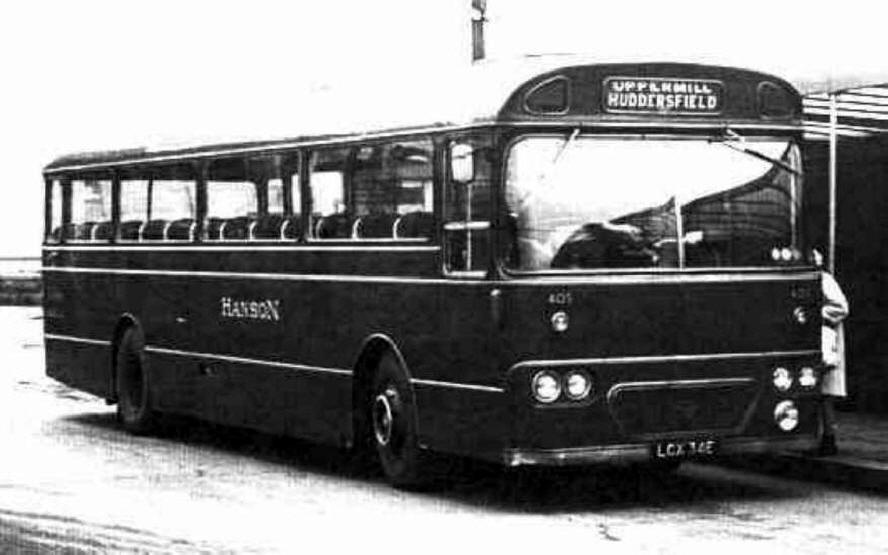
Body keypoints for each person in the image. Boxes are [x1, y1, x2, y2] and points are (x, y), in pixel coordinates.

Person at [819, 270, 850, 455]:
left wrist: (817, 312)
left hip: (826, 340)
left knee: (825, 393)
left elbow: (841, 307)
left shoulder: (823, 279)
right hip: (816, 338)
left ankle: (829, 438)